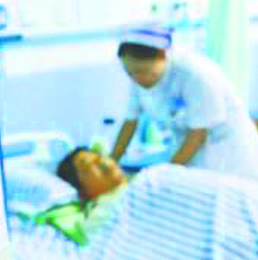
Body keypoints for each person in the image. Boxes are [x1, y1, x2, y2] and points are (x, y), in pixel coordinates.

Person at [110, 24, 258, 182]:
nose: (137, 79)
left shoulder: (195, 74)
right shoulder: (138, 78)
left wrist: (164, 177)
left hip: (228, 156)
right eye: (129, 72)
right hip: (190, 155)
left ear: (163, 55)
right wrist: (111, 162)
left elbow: (198, 135)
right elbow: (130, 123)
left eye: (143, 72)